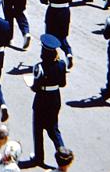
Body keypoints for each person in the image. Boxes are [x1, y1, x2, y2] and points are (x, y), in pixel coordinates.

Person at [30, 34, 67, 167]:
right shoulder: (62, 65)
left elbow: (35, 87)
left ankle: (38, 158)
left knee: (38, 129)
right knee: (53, 128)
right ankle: (63, 152)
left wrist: (32, 86)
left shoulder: (39, 67)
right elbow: (63, 84)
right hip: (55, 98)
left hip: (42, 99)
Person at [41, 0, 73, 69]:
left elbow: (43, 0)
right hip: (65, 13)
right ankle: (68, 53)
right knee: (63, 36)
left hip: (53, 12)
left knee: (50, 36)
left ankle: (49, 57)